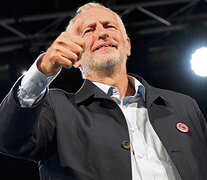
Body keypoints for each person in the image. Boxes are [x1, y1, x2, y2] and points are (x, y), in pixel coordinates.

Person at [0, 2, 207, 180]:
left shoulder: (184, 106)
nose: (102, 32)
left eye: (110, 26)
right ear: (75, 56)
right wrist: (42, 71)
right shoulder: (55, 108)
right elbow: (8, 137)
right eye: (89, 31)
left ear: (127, 45)